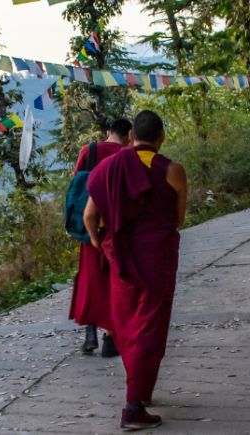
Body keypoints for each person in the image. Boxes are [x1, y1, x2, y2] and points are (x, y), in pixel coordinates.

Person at [83, 111, 188, 430]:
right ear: (162, 137)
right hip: (156, 259)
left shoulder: (107, 169)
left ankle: (140, 393)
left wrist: (99, 243)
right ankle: (132, 408)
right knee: (150, 328)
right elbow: (178, 219)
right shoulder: (172, 171)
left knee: (129, 325)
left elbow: (89, 216)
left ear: (131, 137)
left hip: (122, 260)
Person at [70, 118, 133, 357]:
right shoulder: (128, 155)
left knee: (89, 279)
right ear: (129, 134)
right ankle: (110, 337)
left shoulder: (89, 150)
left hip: (90, 224)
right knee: (113, 280)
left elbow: (76, 183)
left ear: (108, 132)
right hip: (117, 226)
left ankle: (89, 333)